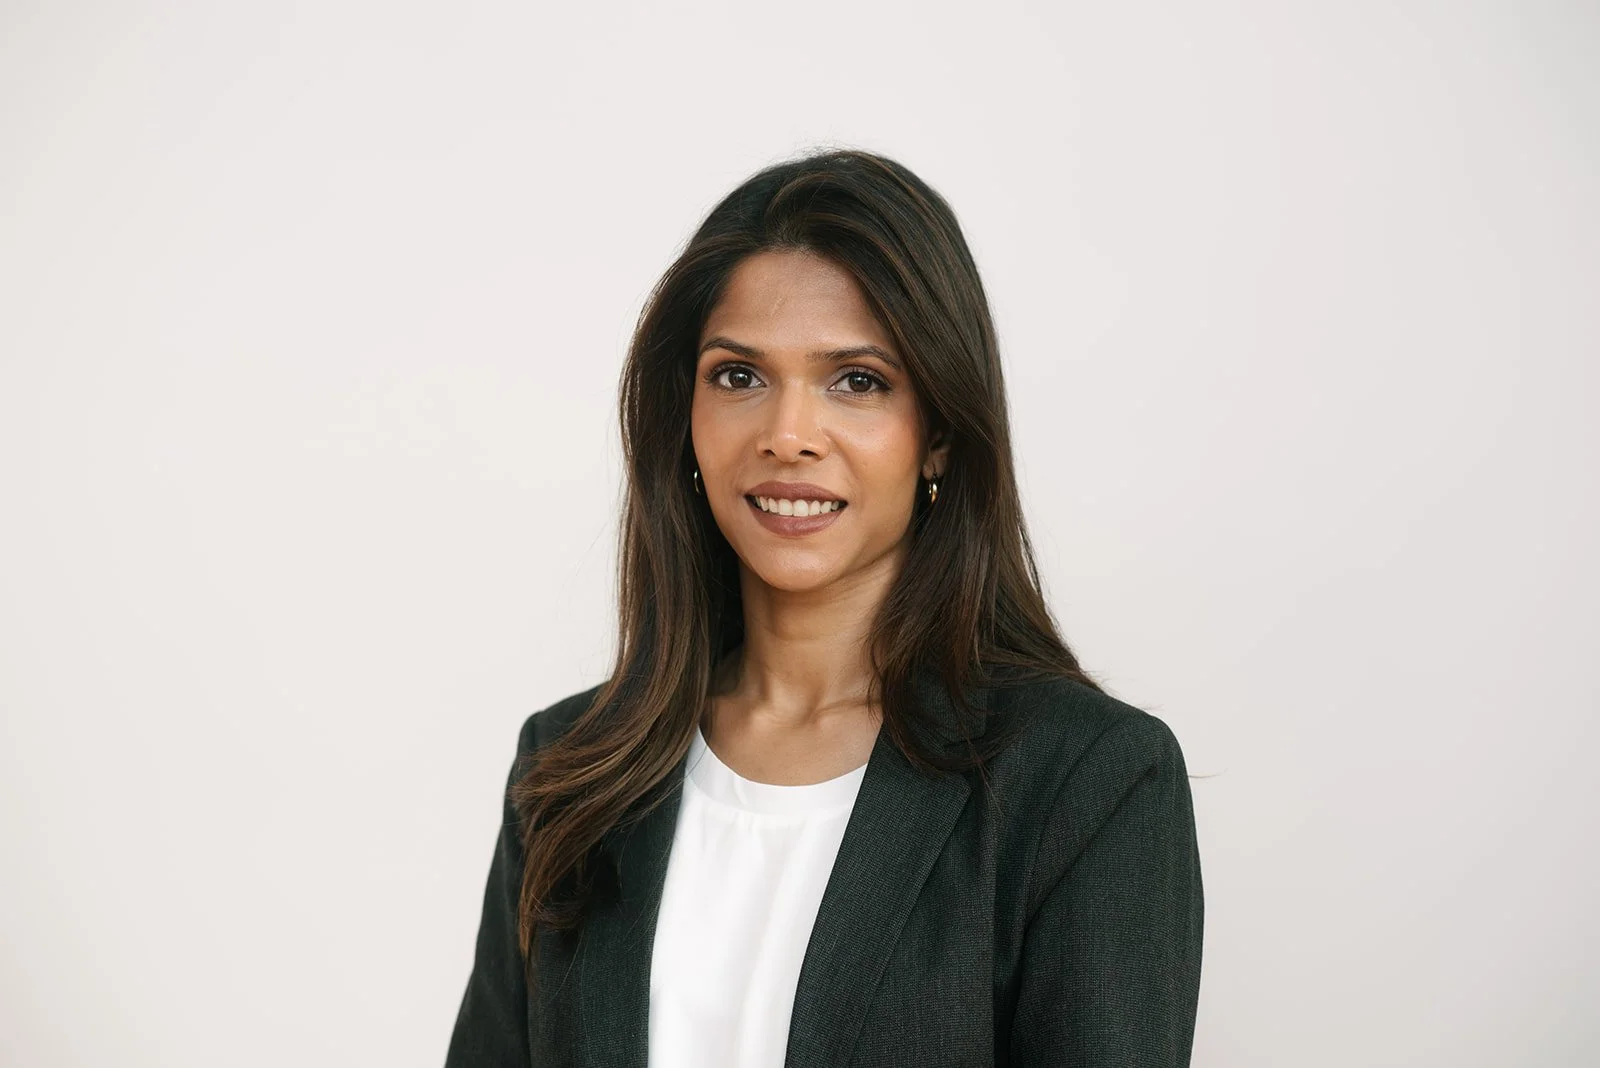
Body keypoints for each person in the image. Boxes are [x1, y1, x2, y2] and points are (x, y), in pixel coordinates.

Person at [445, 148, 1203, 1068]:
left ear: (939, 435)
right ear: (684, 418)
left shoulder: (1085, 782)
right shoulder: (570, 768)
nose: (787, 435)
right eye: (739, 376)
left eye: (857, 381)